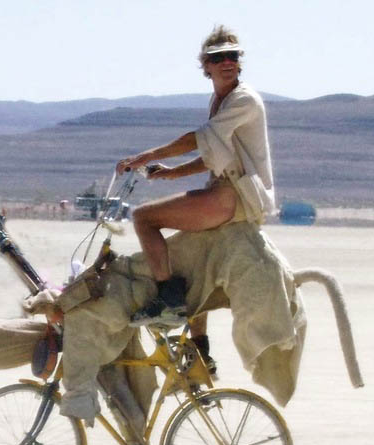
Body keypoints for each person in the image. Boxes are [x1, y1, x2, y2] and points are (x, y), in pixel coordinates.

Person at [115, 24, 275, 367]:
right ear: (206, 66)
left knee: (143, 218)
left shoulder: (243, 99)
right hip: (220, 187)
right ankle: (200, 346)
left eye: (232, 56)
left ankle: (167, 300)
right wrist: (170, 173)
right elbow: (212, 154)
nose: (226, 62)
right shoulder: (219, 101)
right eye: (218, 58)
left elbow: (197, 139)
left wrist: (141, 157)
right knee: (190, 265)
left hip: (233, 196)